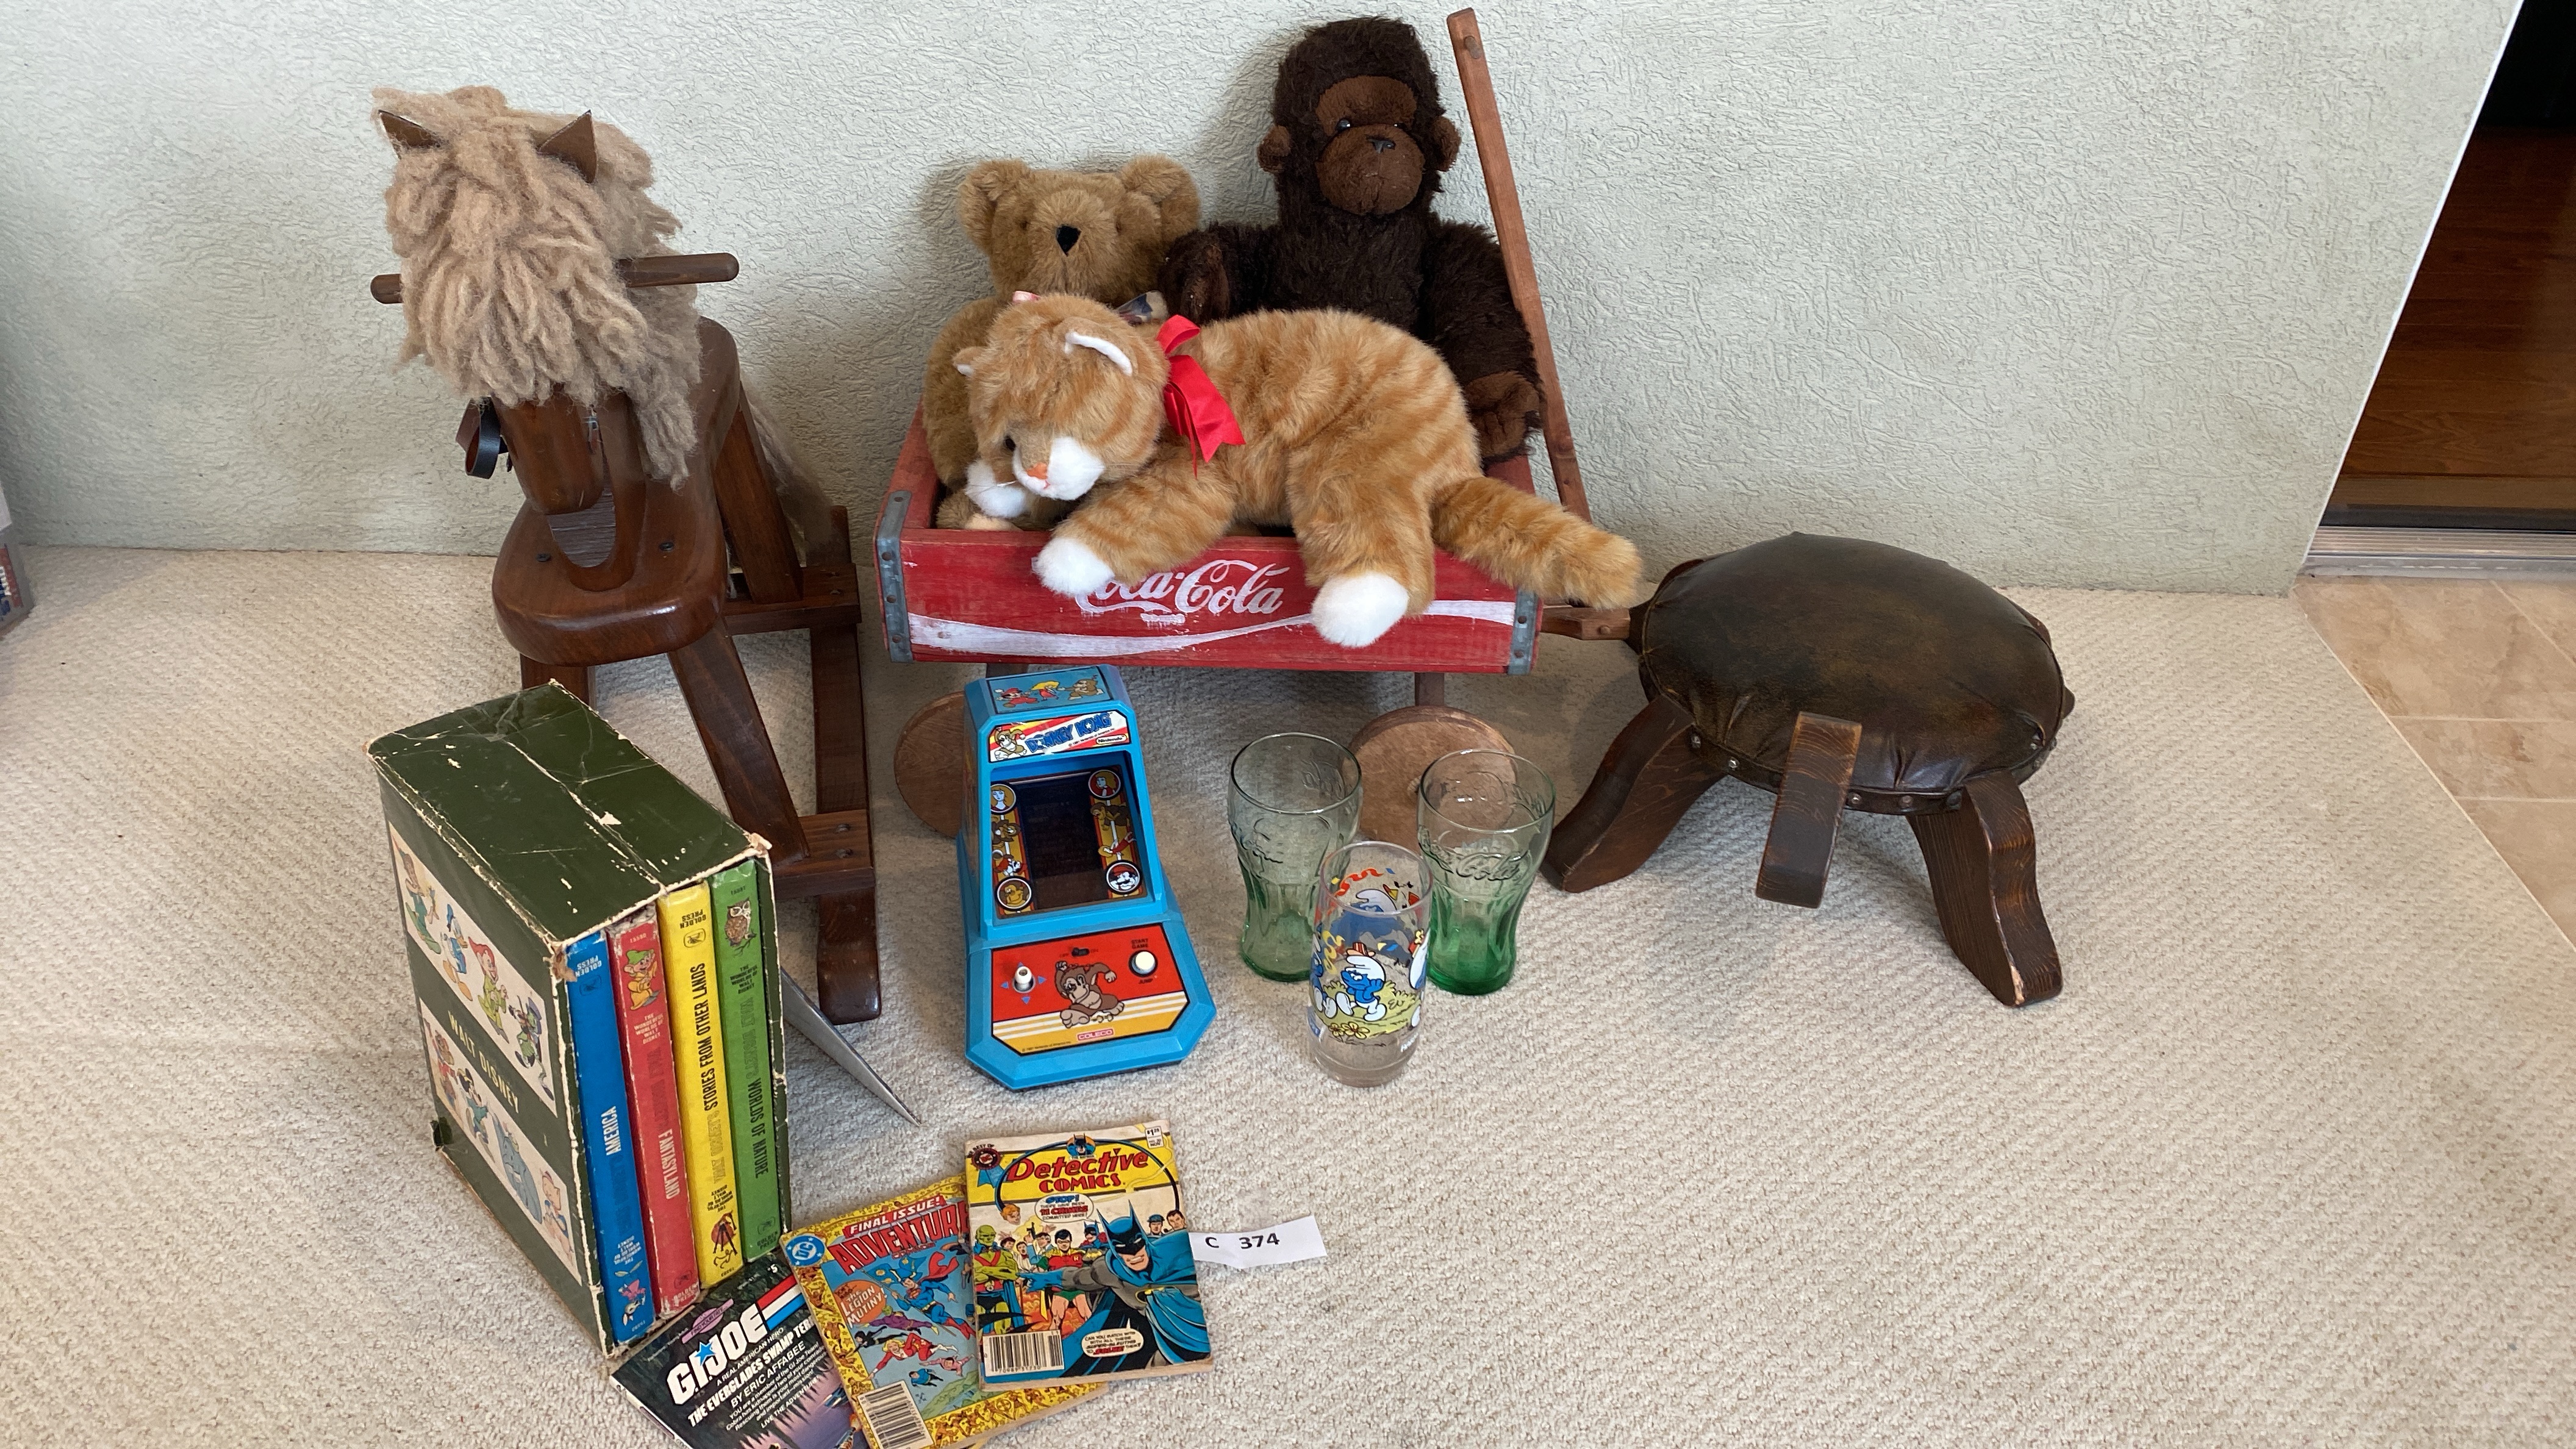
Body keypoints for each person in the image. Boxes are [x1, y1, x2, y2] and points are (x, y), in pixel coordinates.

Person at [1018, 1213, 1208, 1376]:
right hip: (1166, 1339)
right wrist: (1047, 1278)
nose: (1134, 1255)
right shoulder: (1110, 1270)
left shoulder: (1176, 1248)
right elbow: (1078, 1278)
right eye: (1123, 1250)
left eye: (1138, 1245)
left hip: (1204, 1329)